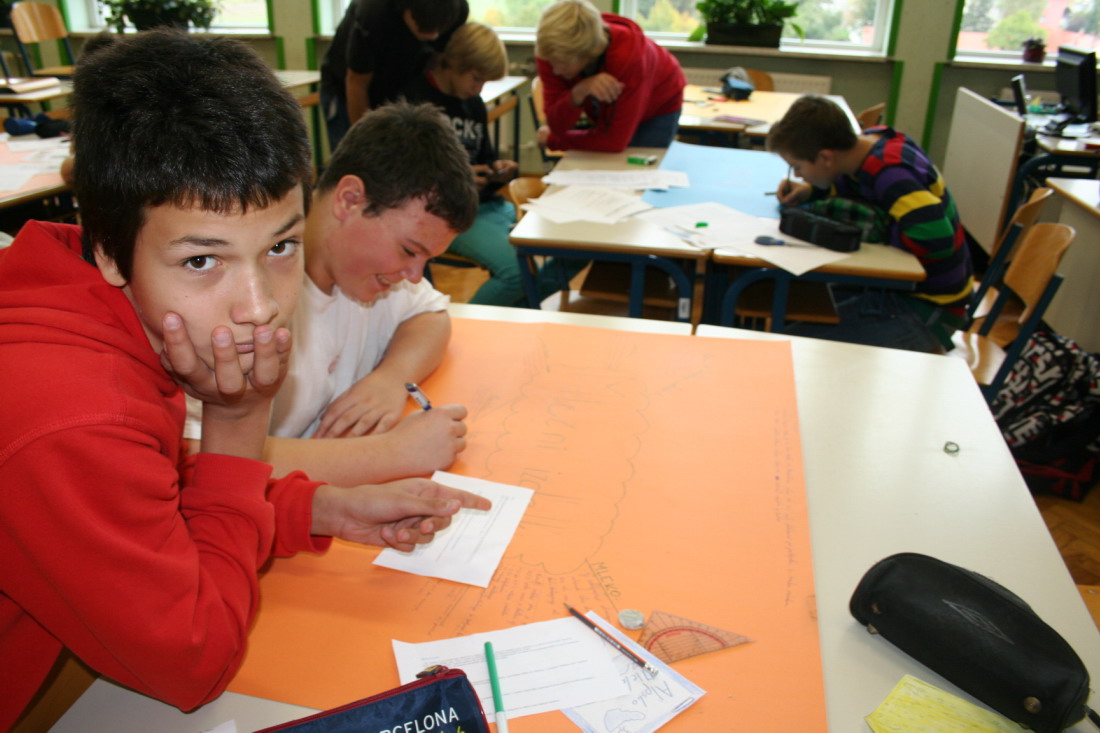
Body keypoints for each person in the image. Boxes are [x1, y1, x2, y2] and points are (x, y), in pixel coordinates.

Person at [0, 31, 490, 729]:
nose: (260, 307)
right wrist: (238, 418)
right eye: (203, 261)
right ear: (109, 248)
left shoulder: (105, 297)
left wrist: (319, 509)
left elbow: (160, 498)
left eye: (281, 245)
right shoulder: (76, 412)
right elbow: (196, 662)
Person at [249, 101, 481, 487]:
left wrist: (391, 378)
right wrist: (392, 454)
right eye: (409, 250)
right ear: (349, 200)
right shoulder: (252, 298)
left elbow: (431, 316)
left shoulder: (368, 273)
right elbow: (199, 456)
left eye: (426, 259)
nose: (414, 275)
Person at [768, 95, 974, 353]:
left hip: (925, 310)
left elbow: (937, 239)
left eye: (797, 167)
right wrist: (812, 190)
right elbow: (856, 183)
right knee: (790, 312)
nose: (797, 175)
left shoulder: (892, 173)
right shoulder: (868, 144)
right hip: (893, 294)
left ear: (826, 157)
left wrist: (880, 236)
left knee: (790, 348)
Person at [402, 23, 583, 307]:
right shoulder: (416, 100)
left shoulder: (473, 103)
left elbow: (483, 157)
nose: (479, 89)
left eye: (485, 82)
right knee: (517, 274)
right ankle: (464, 324)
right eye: (476, 78)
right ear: (454, 64)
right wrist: (459, 180)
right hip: (448, 213)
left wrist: (498, 169)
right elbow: (407, 177)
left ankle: (520, 313)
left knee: (571, 252)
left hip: (488, 206)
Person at [534, 0, 685, 153]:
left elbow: (614, 142)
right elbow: (556, 125)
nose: (556, 71)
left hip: (659, 102)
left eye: (563, 64)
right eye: (551, 62)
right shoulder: (552, 52)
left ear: (588, 54)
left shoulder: (629, 59)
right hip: (613, 113)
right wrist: (577, 93)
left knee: (636, 162)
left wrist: (554, 140)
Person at [320, 0, 468, 151]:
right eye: (424, 27)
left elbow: (436, 66)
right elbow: (357, 84)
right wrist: (367, 146)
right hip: (347, 89)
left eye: (439, 30)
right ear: (406, 9)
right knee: (359, 155)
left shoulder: (458, 10)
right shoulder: (373, 12)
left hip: (399, 85)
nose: (433, 36)